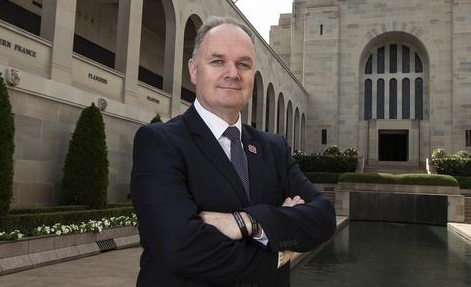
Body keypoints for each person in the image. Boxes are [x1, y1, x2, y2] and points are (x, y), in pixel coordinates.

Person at [130, 16, 336, 286]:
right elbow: (181, 249)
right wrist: (278, 252)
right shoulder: (160, 142)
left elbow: (323, 218)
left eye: (243, 64)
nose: (233, 73)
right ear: (194, 70)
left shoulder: (274, 148)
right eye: (217, 61)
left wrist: (246, 222)